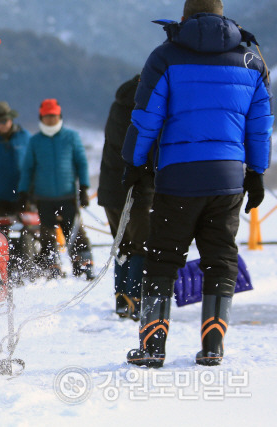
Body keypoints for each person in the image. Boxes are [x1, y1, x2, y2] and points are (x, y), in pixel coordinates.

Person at [122, 0, 273, 367]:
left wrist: (134, 163)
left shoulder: (165, 57)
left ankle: (153, 346)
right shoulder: (252, 61)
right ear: (223, 17)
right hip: (227, 180)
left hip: (178, 178)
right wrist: (256, 172)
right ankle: (213, 347)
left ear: (185, 19)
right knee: (220, 260)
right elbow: (260, 124)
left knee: (162, 259)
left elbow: (146, 118)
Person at [18, 99, 95, 280]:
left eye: (53, 116)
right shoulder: (35, 141)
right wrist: (23, 193)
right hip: (43, 198)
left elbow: (82, 163)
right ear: (41, 118)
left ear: (59, 116)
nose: (50, 120)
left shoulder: (71, 136)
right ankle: (51, 265)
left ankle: (83, 263)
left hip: (68, 196)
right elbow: (28, 168)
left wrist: (84, 188)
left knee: (75, 231)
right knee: (47, 234)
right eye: (47, 117)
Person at [97, 74, 154, 321]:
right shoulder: (144, 109)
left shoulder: (117, 105)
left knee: (122, 244)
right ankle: (136, 300)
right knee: (141, 245)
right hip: (136, 189)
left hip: (110, 190)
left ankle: (121, 300)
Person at [0, 101, 31, 214]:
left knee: (28, 230)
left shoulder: (25, 137)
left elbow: (32, 165)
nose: (0, 125)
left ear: (11, 119)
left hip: (22, 195)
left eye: (3, 121)